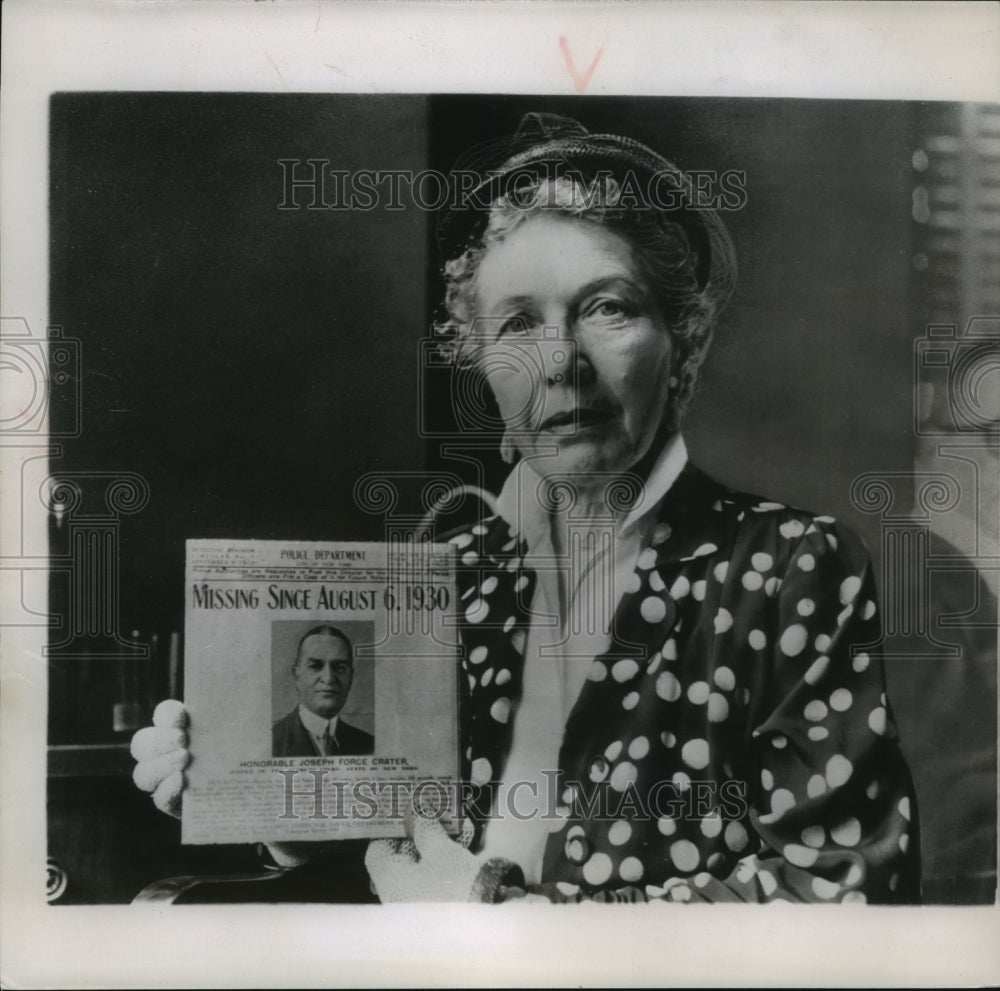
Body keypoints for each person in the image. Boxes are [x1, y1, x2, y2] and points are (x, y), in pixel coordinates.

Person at [132, 113, 921, 904]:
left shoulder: (792, 566)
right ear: (481, 363)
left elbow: (843, 894)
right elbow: (408, 858)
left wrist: (508, 925)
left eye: (607, 307)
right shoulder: (458, 576)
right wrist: (259, 798)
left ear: (685, 337)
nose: (561, 363)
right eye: (517, 323)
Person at [271, 624, 374, 758]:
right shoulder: (270, 743)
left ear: (350, 678)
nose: (329, 678)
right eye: (315, 666)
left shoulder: (369, 745)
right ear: (297, 676)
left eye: (340, 668)